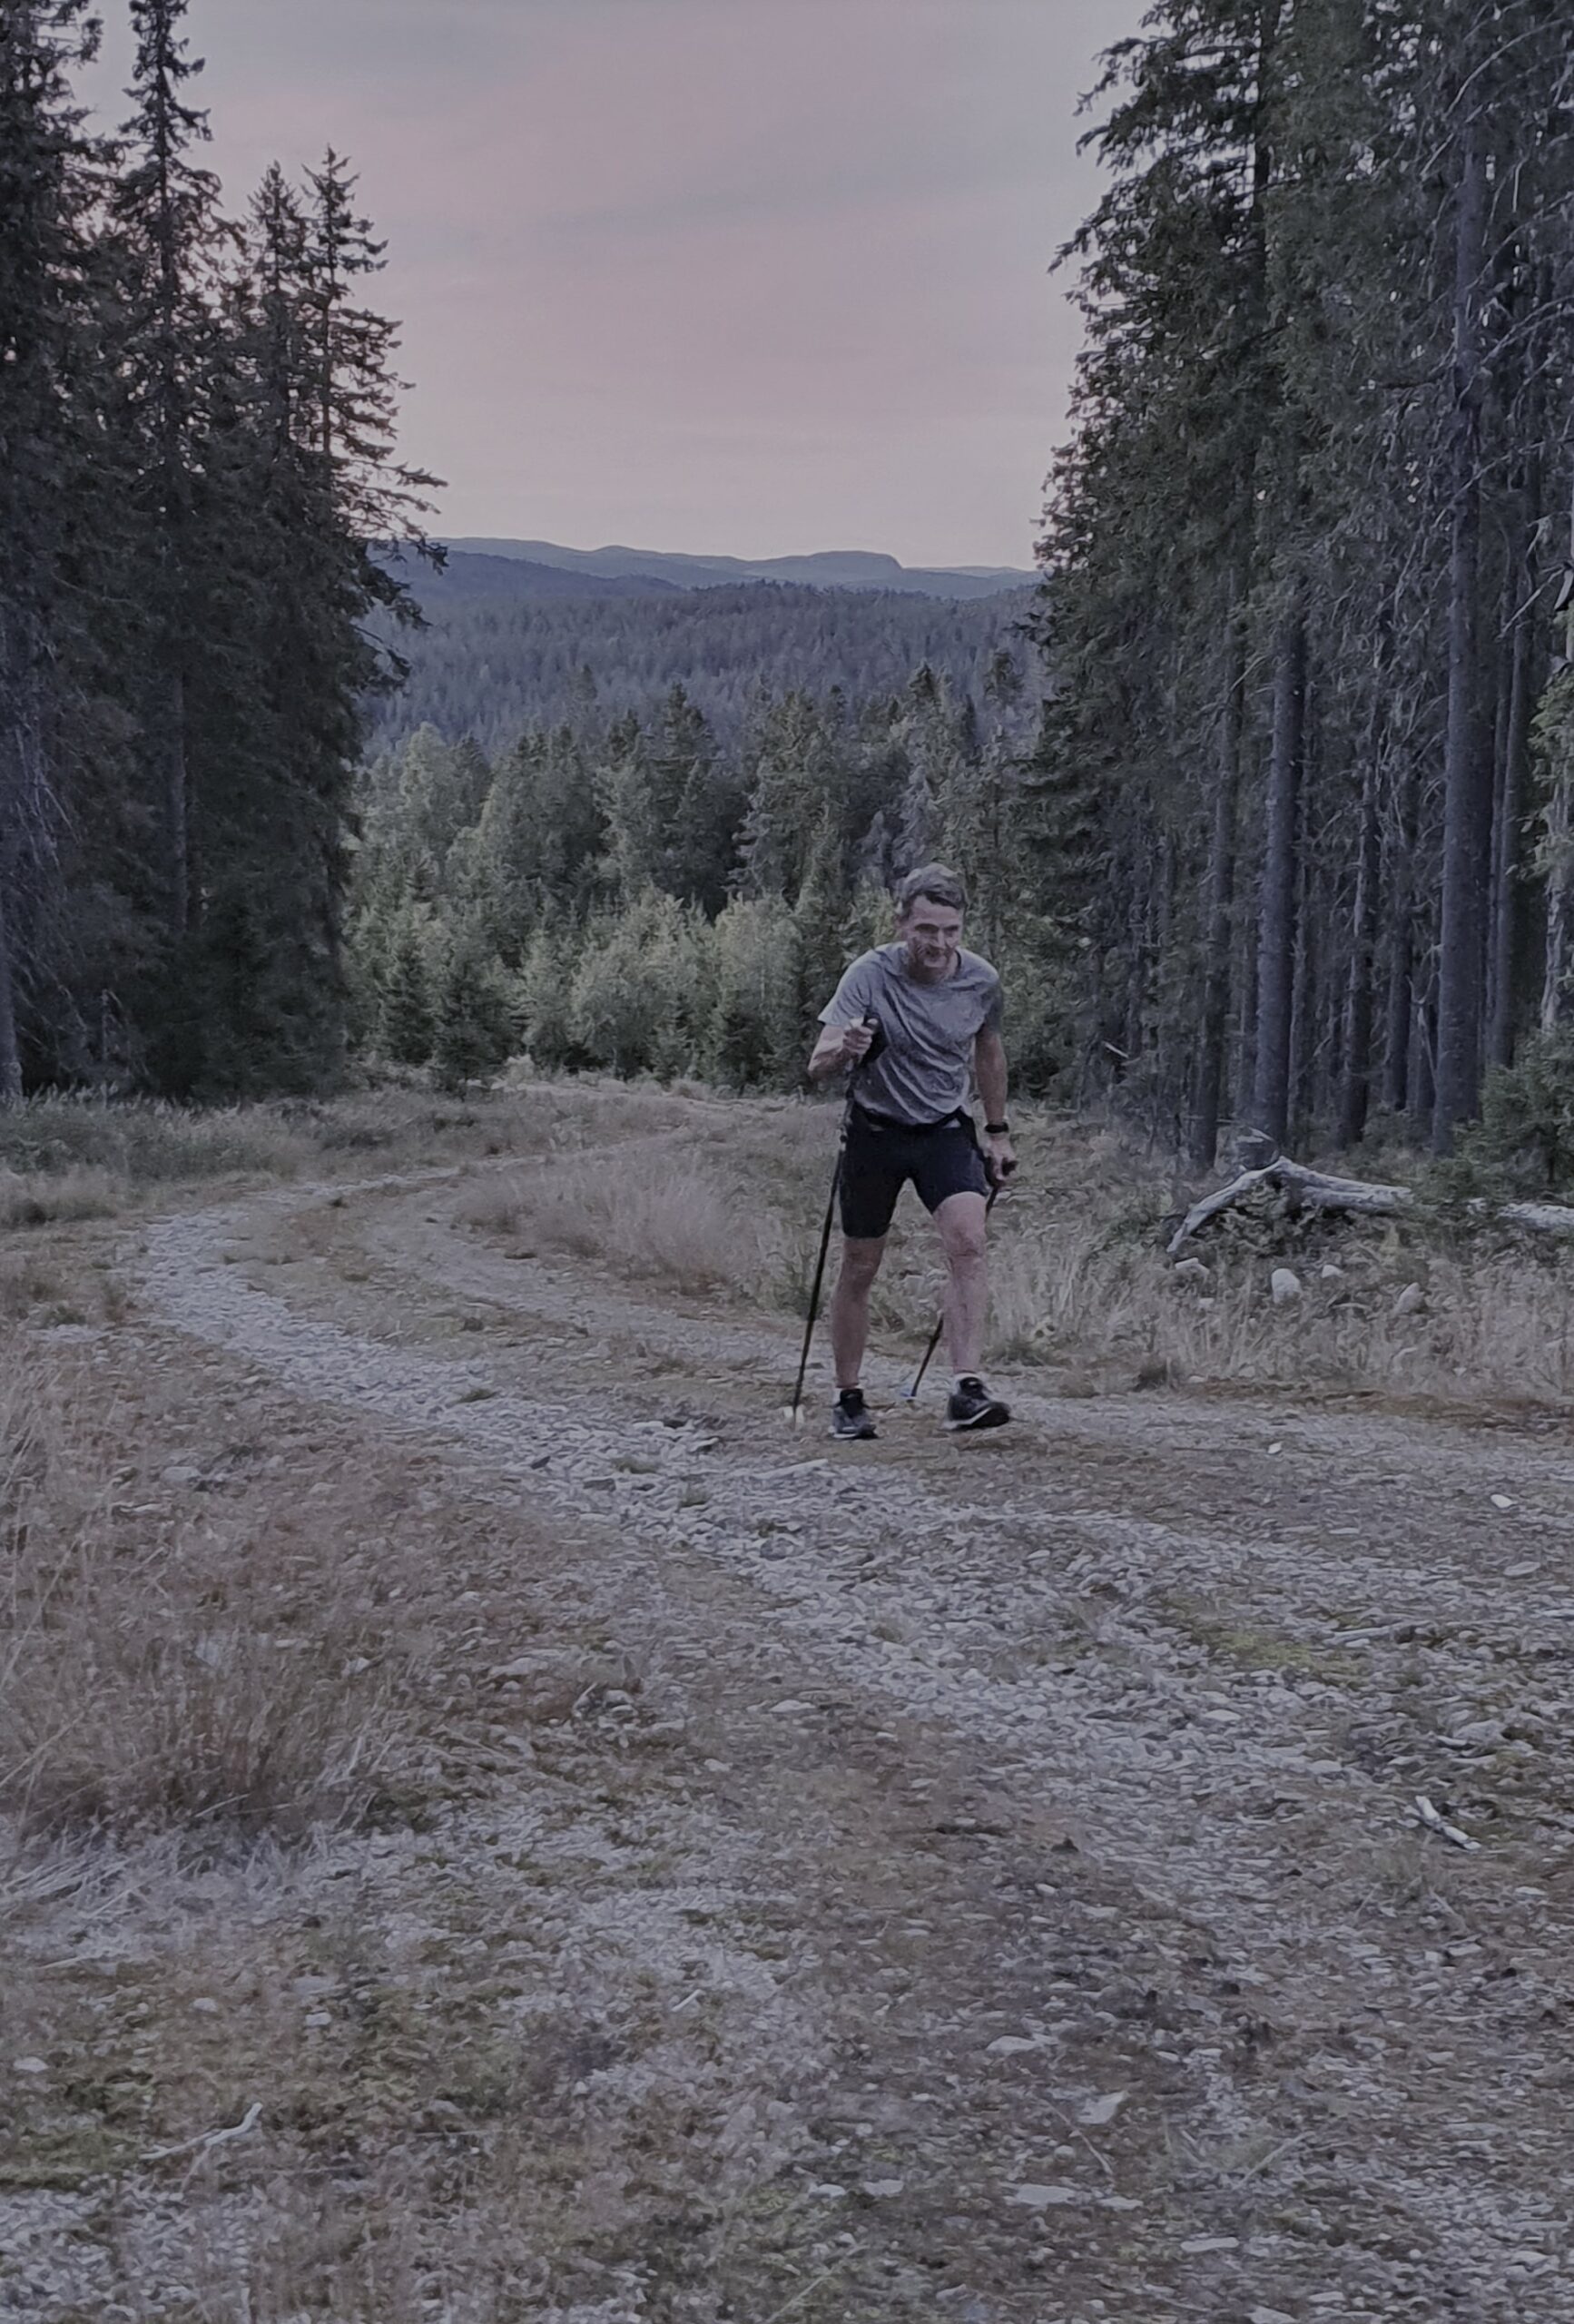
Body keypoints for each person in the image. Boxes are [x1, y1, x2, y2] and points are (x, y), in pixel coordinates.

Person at [807, 863, 1017, 1440]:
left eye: (951, 930)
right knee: (861, 1264)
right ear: (902, 924)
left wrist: (997, 1131)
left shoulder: (980, 980)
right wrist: (844, 1048)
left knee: (969, 1243)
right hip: (875, 1131)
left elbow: (989, 1052)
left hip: (944, 1128)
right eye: (927, 929)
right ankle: (848, 1396)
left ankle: (965, 1389)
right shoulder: (869, 975)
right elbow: (818, 1060)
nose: (939, 944)